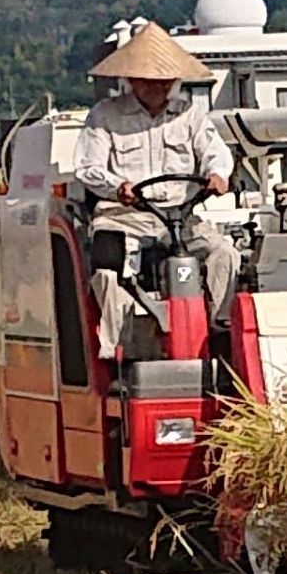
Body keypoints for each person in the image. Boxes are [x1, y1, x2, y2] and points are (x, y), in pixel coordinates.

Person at [74, 20, 238, 358]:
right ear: (133, 80)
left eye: (167, 81)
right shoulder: (105, 115)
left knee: (225, 254)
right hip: (123, 216)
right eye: (152, 80)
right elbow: (87, 169)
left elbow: (215, 152)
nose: (161, 87)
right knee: (108, 270)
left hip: (178, 215)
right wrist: (117, 187)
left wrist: (218, 174)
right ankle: (117, 350)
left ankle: (216, 328)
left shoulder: (189, 114)